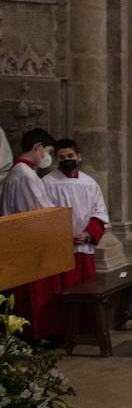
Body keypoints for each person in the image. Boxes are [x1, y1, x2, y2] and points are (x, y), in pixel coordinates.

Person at [1, 128, 64, 340]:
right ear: (37, 147)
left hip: (25, 240)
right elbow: (39, 210)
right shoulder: (25, 175)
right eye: (47, 151)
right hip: (32, 242)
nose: (47, 158)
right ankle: (39, 336)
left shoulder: (22, 172)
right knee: (36, 296)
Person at [44, 139, 109, 287]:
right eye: (62, 157)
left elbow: (99, 214)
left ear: (78, 157)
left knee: (85, 289)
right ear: (56, 159)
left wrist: (87, 235)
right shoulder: (47, 183)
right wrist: (64, 235)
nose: (67, 160)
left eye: (70, 156)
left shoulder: (90, 183)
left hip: (84, 247)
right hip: (60, 247)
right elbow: (45, 216)